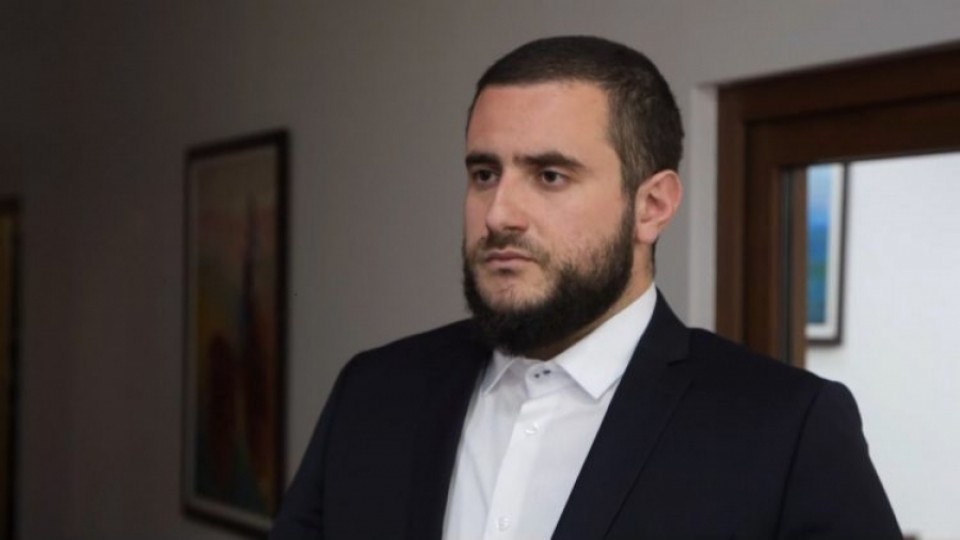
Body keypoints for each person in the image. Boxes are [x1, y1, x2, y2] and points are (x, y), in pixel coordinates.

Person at [270, 36, 901, 539]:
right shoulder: (374, 392)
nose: (498, 214)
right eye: (484, 173)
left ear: (652, 206)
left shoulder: (786, 430)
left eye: (549, 175)